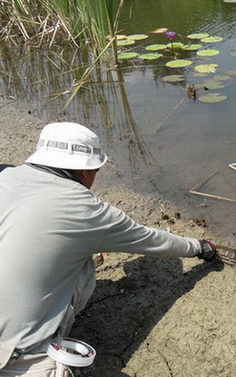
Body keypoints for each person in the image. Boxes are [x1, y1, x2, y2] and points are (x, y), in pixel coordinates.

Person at [0, 121, 217, 357]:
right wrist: (200, 247)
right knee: (82, 265)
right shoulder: (87, 211)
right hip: (16, 349)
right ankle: (44, 343)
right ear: (85, 170)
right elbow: (151, 240)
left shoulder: (5, 175)